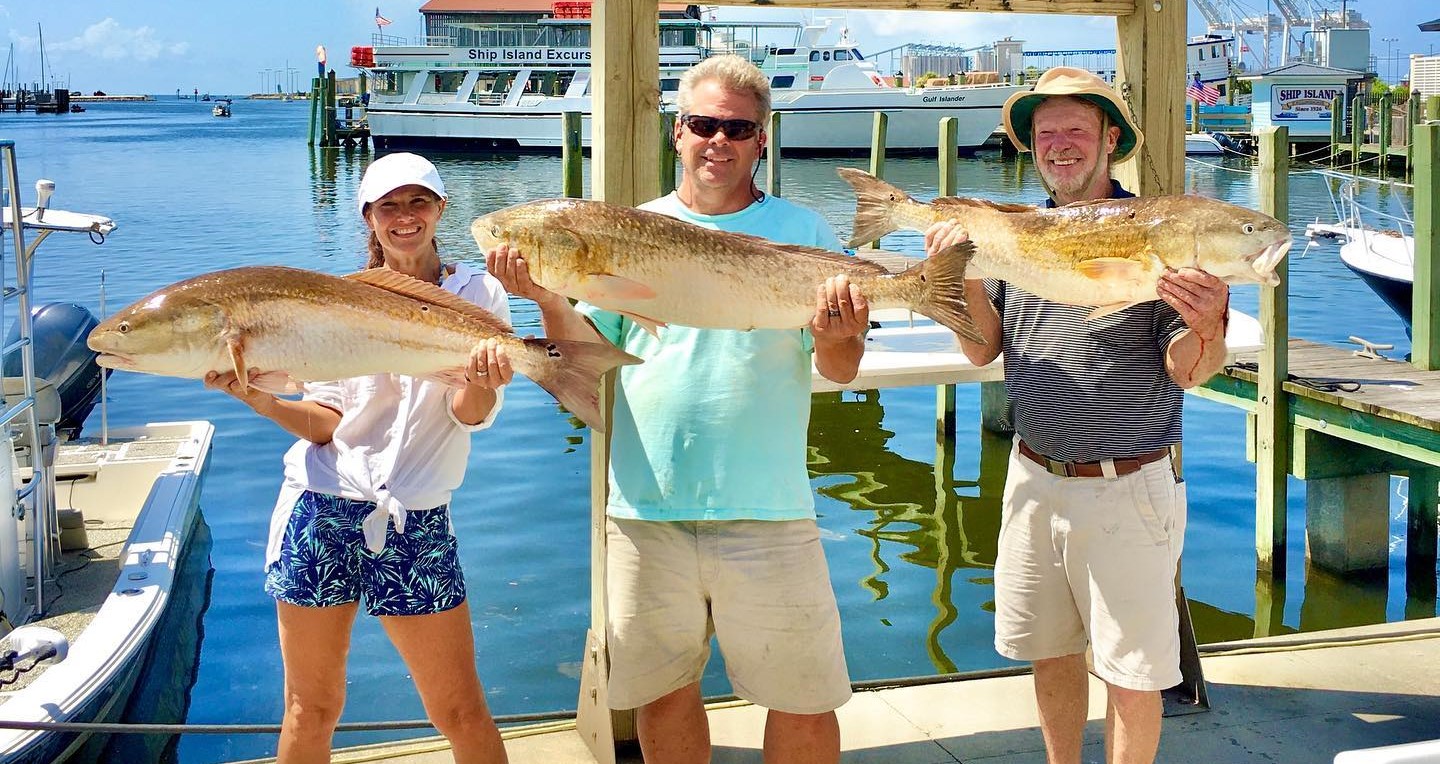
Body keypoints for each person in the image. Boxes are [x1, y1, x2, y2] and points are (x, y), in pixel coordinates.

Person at [486, 54, 864, 764]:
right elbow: (592, 358)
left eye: (736, 127)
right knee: (662, 696)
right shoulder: (629, 229)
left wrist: (838, 334)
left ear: (761, 138)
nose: (717, 140)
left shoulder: (807, 232)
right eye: (702, 124)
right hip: (645, 511)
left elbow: (840, 369)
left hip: (770, 510)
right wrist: (544, 297)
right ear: (677, 133)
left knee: (805, 704)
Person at [926, 67, 1230, 764]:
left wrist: (1209, 321)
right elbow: (979, 351)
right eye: (1046, 133)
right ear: (1031, 146)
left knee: (1131, 675)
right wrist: (959, 274)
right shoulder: (1015, 233)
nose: (1060, 145)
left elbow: (1189, 368)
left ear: (1110, 139)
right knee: (1051, 653)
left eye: (1076, 130)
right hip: (1032, 479)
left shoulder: (1159, 233)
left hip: (1127, 486)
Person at [205, 152, 512, 764]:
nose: (404, 217)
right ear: (368, 216)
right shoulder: (332, 301)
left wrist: (483, 379)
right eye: (388, 206)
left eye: (417, 202)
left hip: (415, 518)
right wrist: (258, 399)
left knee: (458, 709)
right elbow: (325, 426)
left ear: (440, 209)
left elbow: (470, 414)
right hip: (321, 511)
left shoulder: (478, 293)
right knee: (308, 708)